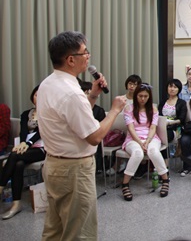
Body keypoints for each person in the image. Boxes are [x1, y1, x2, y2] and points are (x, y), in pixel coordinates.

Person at [38, 31, 127, 240]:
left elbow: (74, 119)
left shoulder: (48, 83)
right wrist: (114, 110)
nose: (88, 56)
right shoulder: (72, 93)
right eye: (85, 52)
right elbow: (94, 136)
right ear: (70, 60)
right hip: (74, 170)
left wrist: (93, 95)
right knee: (79, 232)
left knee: (55, 229)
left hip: (54, 165)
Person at [0, 85, 46, 220]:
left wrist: (28, 144)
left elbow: (40, 132)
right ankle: (16, 204)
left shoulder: (48, 114)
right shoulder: (26, 113)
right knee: (18, 163)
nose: (38, 98)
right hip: (26, 148)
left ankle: (1, 186)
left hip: (42, 149)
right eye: (36, 95)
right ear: (32, 97)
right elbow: (23, 132)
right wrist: (22, 143)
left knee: (14, 156)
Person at [121, 83, 170, 200]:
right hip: (133, 139)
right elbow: (131, 128)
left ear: (149, 97)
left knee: (153, 151)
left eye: (145, 96)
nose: (143, 99)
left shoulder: (153, 109)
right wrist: (139, 142)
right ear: (136, 96)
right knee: (138, 153)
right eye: (140, 96)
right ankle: (125, 184)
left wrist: (147, 142)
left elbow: (153, 128)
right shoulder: (128, 109)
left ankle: (165, 180)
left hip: (151, 138)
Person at [79, 80, 106, 172]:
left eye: (88, 93)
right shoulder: (77, 108)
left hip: (94, 136)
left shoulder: (99, 110)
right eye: (84, 92)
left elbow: (101, 128)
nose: (86, 95)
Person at [159, 78, 187, 144]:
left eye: (175, 87)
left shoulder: (182, 103)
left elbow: (181, 119)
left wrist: (169, 123)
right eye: (170, 86)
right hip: (162, 126)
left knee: (165, 136)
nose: (172, 89)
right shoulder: (163, 102)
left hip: (174, 128)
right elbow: (159, 115)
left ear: (179, 89)